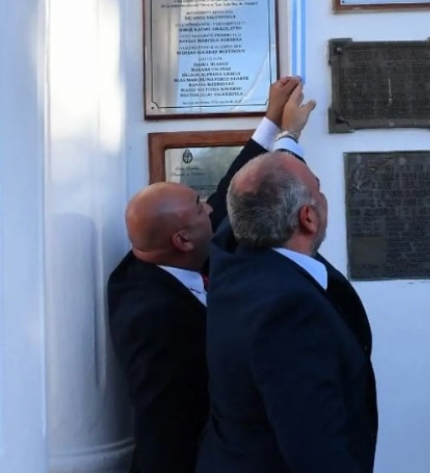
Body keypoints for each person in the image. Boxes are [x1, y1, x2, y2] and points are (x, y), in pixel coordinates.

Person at [107, 76, 306, 473]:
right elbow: (167, 427)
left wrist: (274, 125)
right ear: (182, 240)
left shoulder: (150, 258)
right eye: (200, 208)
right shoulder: (155, 319)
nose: (212, 211)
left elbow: (224, 196)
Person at [195, 151, 377, 473]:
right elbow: (316, 448)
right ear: (308, 217)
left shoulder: (230, 260)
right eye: (319, 188)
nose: (324, 195)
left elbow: (245, 201)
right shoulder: (290, 312)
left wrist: (285, 134)